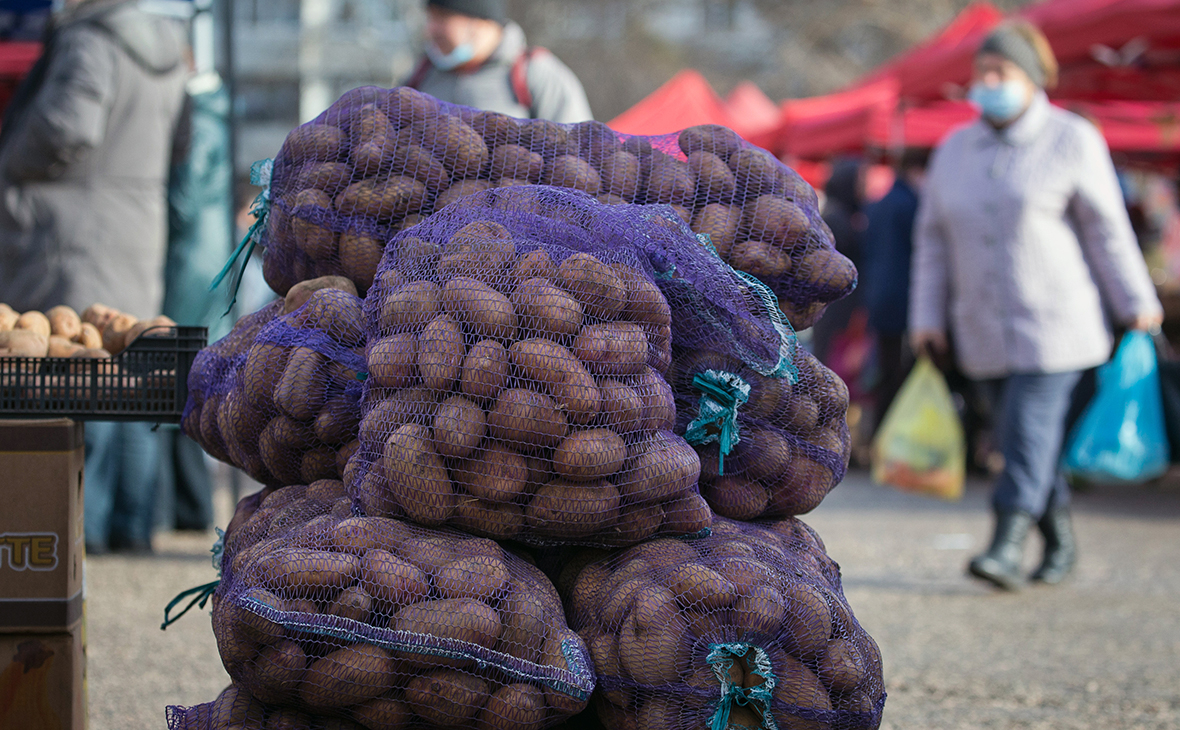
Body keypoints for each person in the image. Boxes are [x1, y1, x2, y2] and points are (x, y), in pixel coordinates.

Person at [909, 21, 1163, 590]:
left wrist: (1136, 302)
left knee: (1026, 430)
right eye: (980, 75)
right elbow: (931, 243)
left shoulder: (1072, 138)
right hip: (981, 328)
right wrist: (925, 319)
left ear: (1030, 78)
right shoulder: (953, 150)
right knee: (1021, 436)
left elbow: (1108, 232)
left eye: (1000, 73)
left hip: (1059, 326)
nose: (987, 84)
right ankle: (1062, 539)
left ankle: (1005, 542)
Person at [0, 0, 187, 553]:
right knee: (136, 379)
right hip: (136, 222)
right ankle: (134, 525)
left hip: (74, 229)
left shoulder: (91, 40)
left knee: (80, 380)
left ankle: (90, 529)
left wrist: (9, 158)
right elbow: (181, 144)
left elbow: (66, 127)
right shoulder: (166, 45)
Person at [156, 69, 232, 534]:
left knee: (173, 378)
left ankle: (185, 508)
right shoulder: (214, 116)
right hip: (208, 259)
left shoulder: (200, 121)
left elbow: (184, 200)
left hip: (192, 262)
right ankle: (190, 507)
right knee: (187, 377)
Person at [407, 0, 593, 123]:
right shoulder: (423, 74)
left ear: (479, 21)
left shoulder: (535, 72)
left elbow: (578, 155)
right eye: (430, 17)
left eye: (442, 17)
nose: (430, 30)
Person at [862, 148, 928, 434]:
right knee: (901, 374)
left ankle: (879, 435)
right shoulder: (911, 205)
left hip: (878, 297)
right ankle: (892, 437)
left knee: (886, 371)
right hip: (904, 300)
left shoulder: (878, 204)